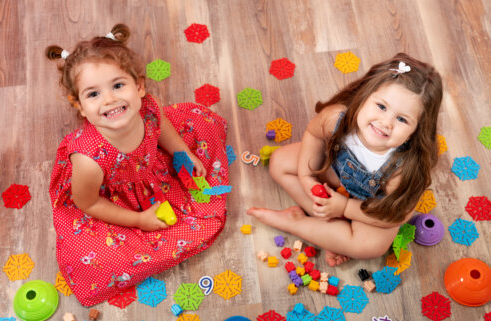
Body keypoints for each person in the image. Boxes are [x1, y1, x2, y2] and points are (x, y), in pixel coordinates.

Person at [47, 24, 229, 306]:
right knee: (102, 261)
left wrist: (183, 153)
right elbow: (88, 203)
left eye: (118, 85)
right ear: (80, 106)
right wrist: (139, 221)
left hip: (151, 168)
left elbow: (163, 127)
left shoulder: (147, 108)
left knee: (200, 124)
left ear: (139, 87)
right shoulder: (88, 160)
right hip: (112, 199)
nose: (109, 99)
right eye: (93, 94)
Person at [248, 53, 442, 267]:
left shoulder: (404, 168)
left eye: (402, 119)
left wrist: (345, 208)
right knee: (279, 162)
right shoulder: (336, 118)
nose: (385, 122)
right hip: (334, 174)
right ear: (364, 94)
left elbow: (395, 217)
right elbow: (313, 135)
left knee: (371, 246)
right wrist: (307, 178)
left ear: (418, 129)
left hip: (370, 206)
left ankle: (297, 223)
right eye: (381, 106)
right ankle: (330, 229)